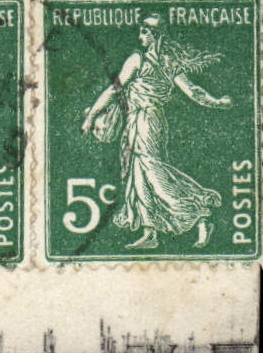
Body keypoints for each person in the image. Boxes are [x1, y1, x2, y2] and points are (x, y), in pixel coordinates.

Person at [81, 14, 230, 250]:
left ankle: (200, 213)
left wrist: (90, 117)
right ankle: (150, 232)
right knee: (140, 174)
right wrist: (217, 102)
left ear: (154, 35)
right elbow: (194, 92)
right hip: (148, 121)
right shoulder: (169, 62)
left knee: (152, 173)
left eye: (144, 32)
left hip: (144, 121)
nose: (140, 36)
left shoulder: (137, 60)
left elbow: (114, 90)